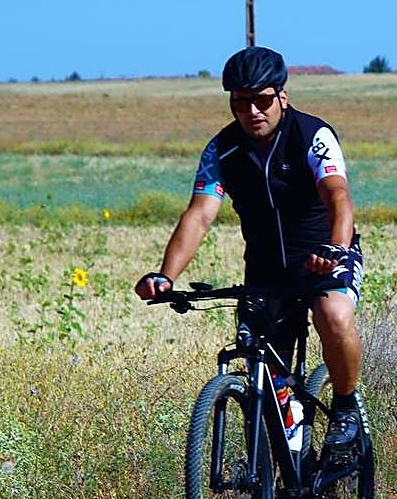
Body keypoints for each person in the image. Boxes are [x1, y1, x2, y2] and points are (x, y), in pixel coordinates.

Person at [135, 45, 365, 461]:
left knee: (332, 314)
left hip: (324, 254)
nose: (253, 111)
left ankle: (346, 409)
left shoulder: (312, 136)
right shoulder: (221, 150)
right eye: (242, 102)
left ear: (283, 97)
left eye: (262, 100)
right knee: (261, 371)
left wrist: (335, 248)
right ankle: (267, 485)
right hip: (264, 270)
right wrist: (165, 276)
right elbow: (201, 215)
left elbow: (338, 196)